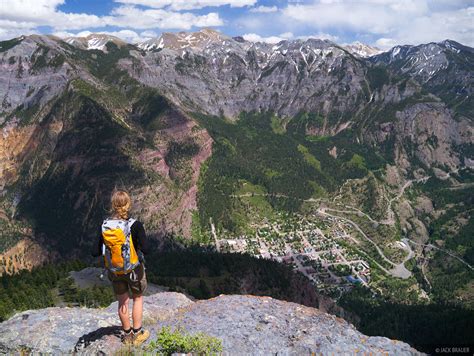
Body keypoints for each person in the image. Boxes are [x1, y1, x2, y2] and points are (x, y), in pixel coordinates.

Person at [91, 190, 150, 346]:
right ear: (128, 204)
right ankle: (138, 333)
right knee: (137, 298)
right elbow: (147, 249)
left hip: (115, 271)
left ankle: (127, 335)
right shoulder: (135, 225)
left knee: (122, 301)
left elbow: (95, 252)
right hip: (134, 270)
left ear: (112, 206)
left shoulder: (105, 226)